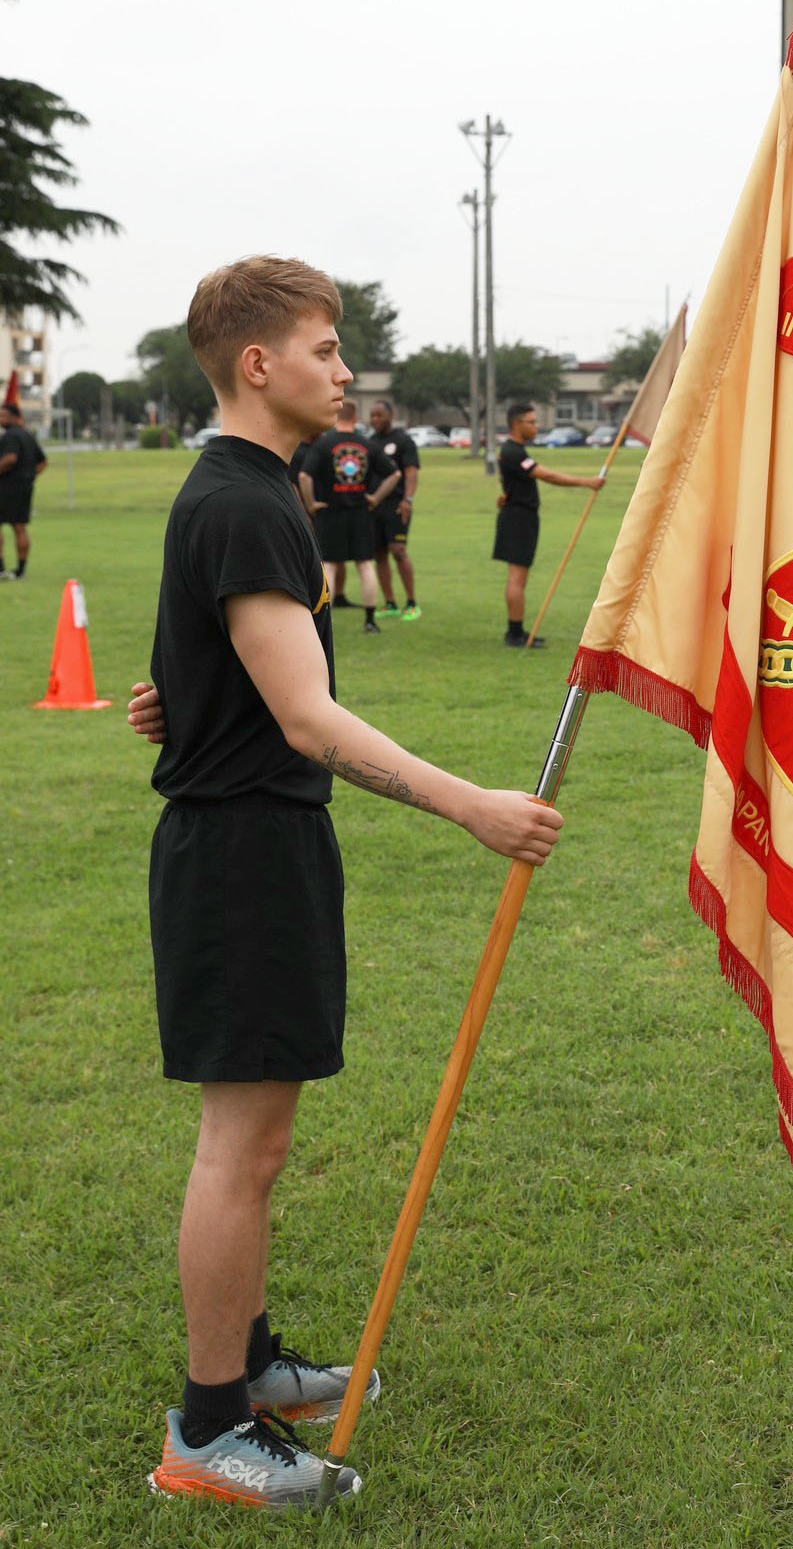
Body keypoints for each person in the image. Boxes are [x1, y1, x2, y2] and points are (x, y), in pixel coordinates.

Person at [127, 255, 563, 1512]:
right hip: (243, 854)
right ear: (256, 365)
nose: (344, 370)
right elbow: (311, 720)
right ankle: (209, 1430)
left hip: (247, 842)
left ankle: (250, 1366)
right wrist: (470, 803)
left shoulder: (240, 490)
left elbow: (215, 672)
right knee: (242, 1152)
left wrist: (188, 704)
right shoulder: (247, 500)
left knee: (254, 1142)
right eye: (325, 348)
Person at [492, 402, 604, 647]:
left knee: (519, 576)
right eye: (531, 422)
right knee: (517, 577)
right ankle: (515, 634)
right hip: (518, 518)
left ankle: (516, 631)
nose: (536, 426)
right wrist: (587, 482)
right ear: (516, 424)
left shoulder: (516, 451)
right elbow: (548, 476)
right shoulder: (513, 452)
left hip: (519, 515)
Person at [300, 402, 400, 633]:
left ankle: (324, 625)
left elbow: (305, 476)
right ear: (356, 418)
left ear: (336, 417)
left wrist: (312, 503)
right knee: (365, 565)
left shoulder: (323, 444)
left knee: (331, 567)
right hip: (361, 513)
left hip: (330, 512)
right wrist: (375, 498)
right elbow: (394, 474)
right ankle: (370, 620)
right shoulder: (368, 445)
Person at [368, 398, 422, 620]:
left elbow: (411, 472)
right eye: (372, 415)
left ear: (391, 415)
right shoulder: (370, 442)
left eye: (379, 415)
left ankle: (411, 602)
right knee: (379, 554)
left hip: (397, 505)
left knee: (398, 551)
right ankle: (389, 602)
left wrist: (407, 499)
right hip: (374, 505)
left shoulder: (403, 440)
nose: (375, 419)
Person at [0, 400, 47, 579]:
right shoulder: (27, 435)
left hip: (6, 488)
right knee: (20, 527)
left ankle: (1, 569)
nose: (0, 419)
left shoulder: (10, 436)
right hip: (24, 488)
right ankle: (21, 571)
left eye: (2, 416)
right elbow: (42, 463)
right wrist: (28, 477)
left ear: (13, 418)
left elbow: (10, 458)